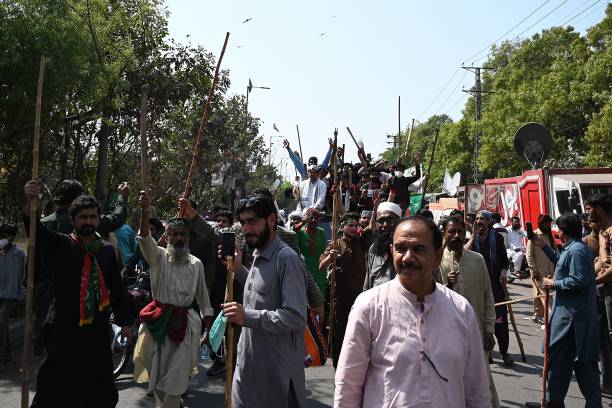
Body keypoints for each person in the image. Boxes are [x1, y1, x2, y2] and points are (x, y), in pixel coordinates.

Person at [334, 216, 490, 407]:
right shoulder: (369, 306)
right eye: (400, 248)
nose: (407, 257)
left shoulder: (461, 309)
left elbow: (477, 390)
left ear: (437, 256)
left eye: (418, 249)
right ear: (392, 252)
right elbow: (348, 386)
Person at [23, 180, 132, 408]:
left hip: (96, 330)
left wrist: (125, 322)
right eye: (83, 217)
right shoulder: (61, 246)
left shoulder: (106, 251)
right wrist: (30, 201)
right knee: (55, 388)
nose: (88, 222)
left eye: (93, 217)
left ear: (98, 219)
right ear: (73, 221)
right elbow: (36, 230)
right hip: (64, 329)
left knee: (99, 389)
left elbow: (117, 290)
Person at [222, 194, 307, 407]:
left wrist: (246, 316)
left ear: (271, 219)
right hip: (246, 369)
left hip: (274, 380)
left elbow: (295, 317)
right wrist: (238, 269)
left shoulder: (286, 259)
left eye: (252, 222)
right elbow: (262, 292)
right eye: (243, 223)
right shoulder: (260, 254)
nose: (245, 230)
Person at [132, 190, 214, 408]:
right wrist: (144, 211)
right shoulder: (157, 257)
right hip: (158, 325)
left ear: (188, 238)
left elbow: (204, 301)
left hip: (186, 328)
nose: (179, 238)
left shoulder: (196, 264)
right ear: (167, 237)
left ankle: (173, 402)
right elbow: (144, 237)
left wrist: (209, 333)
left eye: (183, 235)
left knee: (175, 383)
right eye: (175, 234)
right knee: (158, 383)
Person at [529, 212, 601, 407]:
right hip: (571, 321)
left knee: (583, 371)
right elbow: (562, 261)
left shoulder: (577, 251)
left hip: (573, 324)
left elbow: (579, 280)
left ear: (563, 231)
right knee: (560, 368)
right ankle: (553, 402)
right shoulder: (574, 248)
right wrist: (542, 246)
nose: (557, 231)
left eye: (558, 228)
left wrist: (554, 283)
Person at [438, 217, 499, 408]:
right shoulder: (436, 261)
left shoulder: (477, 260)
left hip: (477, 332)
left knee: (481, 381)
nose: (456, 235)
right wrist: (446, 284)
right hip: (446, 333)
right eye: (452, 231)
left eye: (460, 231)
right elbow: (430, 295)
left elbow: (488, 295)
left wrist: (490, 328)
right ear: (444, 234)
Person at [319, 213, 373, 368]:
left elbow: (372, 226)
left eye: (356, 225)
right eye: (351, 225)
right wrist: (331, 257)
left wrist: (375, 207)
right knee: (340, 333)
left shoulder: (362, 241)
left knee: (359, 332)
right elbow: (321, 266)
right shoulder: (336, 244)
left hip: (360, 296)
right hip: (341, 298)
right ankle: (339, 367)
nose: (355, 228)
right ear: (342, 227)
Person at [467, 210, 513, 366]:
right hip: (478, 285)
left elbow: (504, 260)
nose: (479, 221)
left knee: (500, 320)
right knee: (482, 319)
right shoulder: (473, 239)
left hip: (495, 285)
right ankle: (488, 352)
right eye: (477, 218)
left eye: (482, 219)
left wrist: (503, 272)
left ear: (488, 221)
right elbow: (464, 254)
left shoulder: (497, 238)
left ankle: (504, 352)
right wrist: (473, 236)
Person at [585, 193, 612, 395]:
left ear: (599, 209)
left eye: (589, 208)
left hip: (610, 289)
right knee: (603, 339)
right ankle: (608, 384)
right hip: (603, 289)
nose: (587, 213)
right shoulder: (602, 231)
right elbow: (603, 262)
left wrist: (594, 281)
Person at [0, 223, 25, 370]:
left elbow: (21, 276)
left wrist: (21, 295)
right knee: (2, 326)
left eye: (4, 236)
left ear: (11, 238)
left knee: (2, 322)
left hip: (11, 295)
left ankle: (2, 359)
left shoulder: (19, 254)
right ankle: (7, 355)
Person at [363, 200, 402, 290]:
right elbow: (368, 282)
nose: (385, 225)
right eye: (381, 221)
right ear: (376, 224)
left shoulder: (407, 249)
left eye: (390, 220)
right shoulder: (373, 249)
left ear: (399, 222)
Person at [526, 214, 556, 324]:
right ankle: (552, 320)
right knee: (546, 297)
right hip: (539, 272)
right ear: (541, 224)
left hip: (550, 270)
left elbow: (555, 251)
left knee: (539, 293)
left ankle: (537, 314)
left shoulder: (550, 236)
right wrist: (533, 270)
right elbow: (528, 255)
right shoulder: (534, 236)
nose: (548, 225)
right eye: (546, 223)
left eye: (549, 223)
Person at [294, 208, 328, 295]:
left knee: (319, 298)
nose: (314, 220)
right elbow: (292, 231)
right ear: (306, 219)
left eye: (316, 218)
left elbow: (324, 250)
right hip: (305, 269)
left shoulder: (322, 232)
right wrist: (302, 223)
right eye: (311, 218)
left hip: (320, 269)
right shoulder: (300, 232)